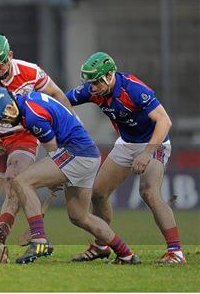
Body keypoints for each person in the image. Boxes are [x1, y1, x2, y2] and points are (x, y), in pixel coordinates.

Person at [0, 87, 141, 265]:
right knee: (79, 216)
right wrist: (56, 175)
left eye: (4, 118)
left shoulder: (33, 115)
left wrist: (56, 177)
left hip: (76, 153)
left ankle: (39, 239)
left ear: (10, 108)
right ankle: (126, 254)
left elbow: (53, 150)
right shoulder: (27, 101)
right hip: (89, 155)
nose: (5, 123)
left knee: (21, 182)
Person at [0, 34, 74, 261]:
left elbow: (57, 94)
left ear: (10, 56)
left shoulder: (31, 71)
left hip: (23, 136)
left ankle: (9, 238)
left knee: (15, 179)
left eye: (0, 63)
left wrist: (72, 125)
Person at [66, 52, 185, 264]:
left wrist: (147, 154)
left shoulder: (133, 89)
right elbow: (60, 101)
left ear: (110, 75)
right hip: (127, 143)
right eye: (89, 82)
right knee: (99, 193)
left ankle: (176, 252)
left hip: (154, 142)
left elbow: (164, 121)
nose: (91, 87)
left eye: (95, 82)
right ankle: (102, 245)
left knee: (148, 192)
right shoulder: (93, 90)